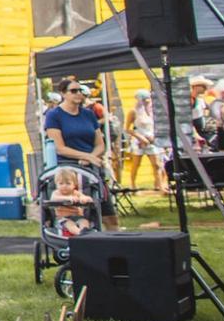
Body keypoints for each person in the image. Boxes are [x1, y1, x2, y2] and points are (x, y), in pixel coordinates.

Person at [42, 77, 117, 229]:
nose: (78, 94)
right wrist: (86, 156)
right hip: (67, 168)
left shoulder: (88, 114)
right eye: (73, 91)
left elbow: (100, 144)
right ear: (63, 94)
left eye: (80, 91)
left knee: (109, 215)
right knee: (72, 212)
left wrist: (91, 157)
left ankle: (114, 244)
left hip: (92, 167)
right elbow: (59, 147)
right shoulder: (54, 115)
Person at [121, 89, 168, 196]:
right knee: (136, 164)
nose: (148, 101)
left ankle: (160, 186)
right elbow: (128, 128)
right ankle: (133, 186)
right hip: (139, 140)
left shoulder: (152, 110)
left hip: (151, 139)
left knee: (157, 164)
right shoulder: (133, 111)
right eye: (145, 99)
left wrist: (154, 136)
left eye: (149, 99)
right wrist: (140, 138)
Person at [48, 167, 97, 238]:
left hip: (77, 216)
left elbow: (89, 199)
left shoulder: (76, 193)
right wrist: (67, 198)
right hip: (62, 218)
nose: (64, 186)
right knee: (70, 224)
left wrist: (84, 199)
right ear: (56, 185)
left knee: (84, 221)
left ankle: (85, 232)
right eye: (61, 183)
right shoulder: (56, 193)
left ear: (74, 185)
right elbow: (53, 199)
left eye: (68, 183)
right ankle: (80, 234)